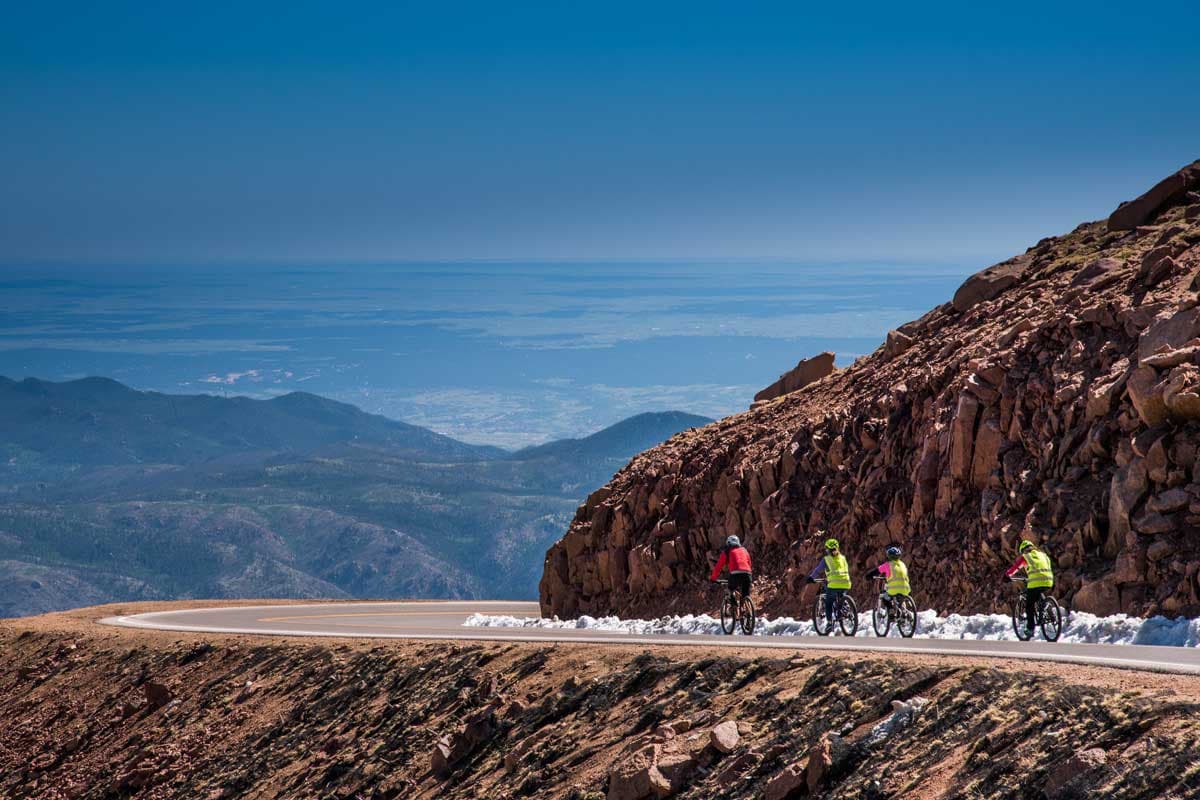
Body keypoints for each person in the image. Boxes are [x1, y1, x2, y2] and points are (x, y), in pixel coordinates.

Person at [1005, 539, 1053, 636]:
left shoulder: (1026, 557)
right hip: (1049, 580)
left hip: (1035, 582)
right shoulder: (1043, 555)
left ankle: (1030, 629)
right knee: (1038, 594)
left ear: (1023, 550)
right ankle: (1046, 607)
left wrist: (1007, 575)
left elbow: (1016, 568)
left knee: (1029, 605)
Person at [806, 537, 851, 627]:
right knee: (840, 595)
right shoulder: (843, 558)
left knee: (829, 602)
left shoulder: (826, 559)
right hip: (846, 583)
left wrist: (811, 578)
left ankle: (829, 623)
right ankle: (845, 607)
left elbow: (818, 570)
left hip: (834, 584)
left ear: (828, 550)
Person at [710, 535, 753, 600]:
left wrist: (713, 578)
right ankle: (748, 605)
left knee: (730, 590)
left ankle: (733, 605)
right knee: (745, 594)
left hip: (735, 575)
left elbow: (718, 566)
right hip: (747, 574)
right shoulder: (744, 550)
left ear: (728, 543)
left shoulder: (727, 551)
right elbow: (749, 563)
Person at [873, 545, 910, 613]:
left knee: (884, 597)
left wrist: (868, 576)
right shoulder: (903, 564)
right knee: (901, 599)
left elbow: (877, 571)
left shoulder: (888, 565)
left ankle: (891, 611)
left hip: (894, 590)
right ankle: (903, 613)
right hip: (906, 589)